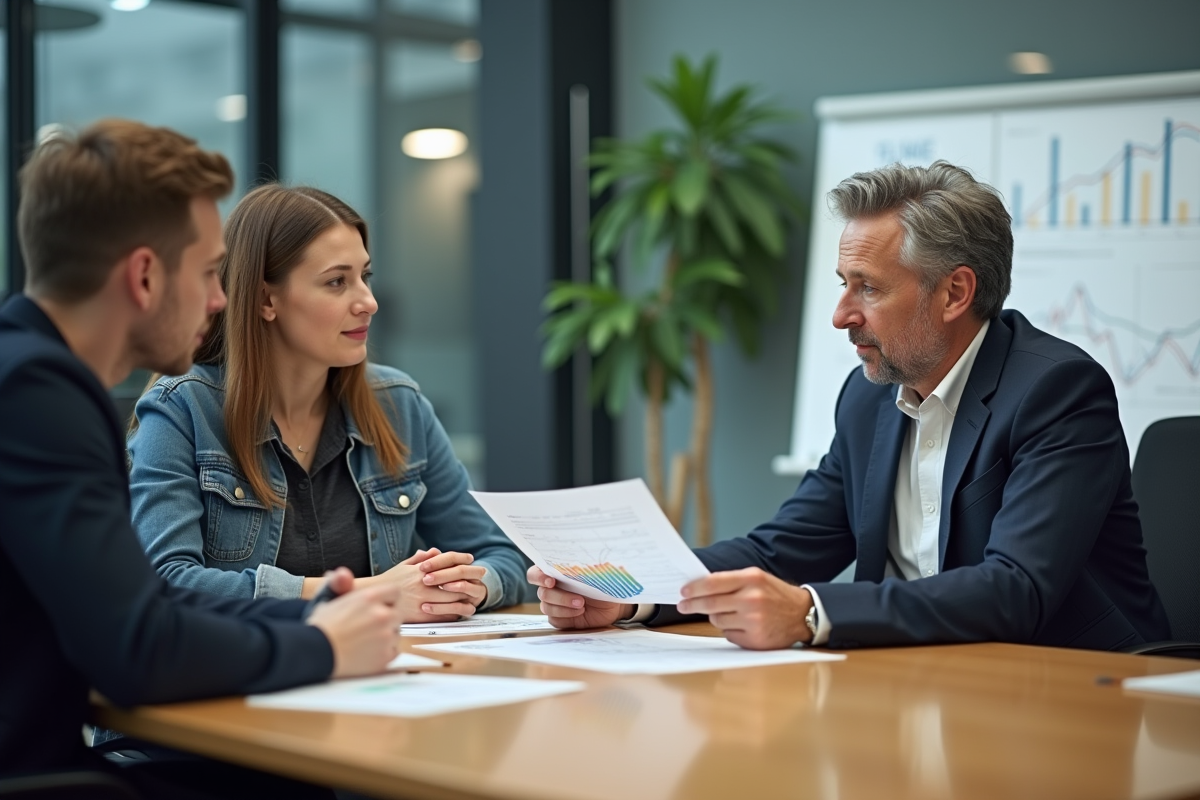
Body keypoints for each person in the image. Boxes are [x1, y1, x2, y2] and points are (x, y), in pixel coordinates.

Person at [531, 161, 1171, 651]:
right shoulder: (868, 399)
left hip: (1072, 691)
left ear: (954, 292)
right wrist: (631, 595)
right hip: (918, 674)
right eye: (844, 285)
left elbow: (1016, 588)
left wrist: (811, 613)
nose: (842, 315)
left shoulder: (1057, 392)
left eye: (868, 288)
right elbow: (783, 549)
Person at [0, 120, 402, 792]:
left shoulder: (28, 374)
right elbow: (137, 651)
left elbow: (141, 600)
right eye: (212, 273)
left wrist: (314, 611)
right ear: (145, 276)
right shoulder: (39, 397)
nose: (222, 300)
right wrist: (322, 645)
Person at [126, 183, 526, 621]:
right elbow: (166, 580)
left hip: (388, 675)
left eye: (364, 277)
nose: (369, 302)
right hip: (246, 680)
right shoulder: (181, 409)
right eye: (337, 282)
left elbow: (499, 556)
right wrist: (365, 593)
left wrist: (463, 586)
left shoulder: (399, 405)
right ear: (266, 299)